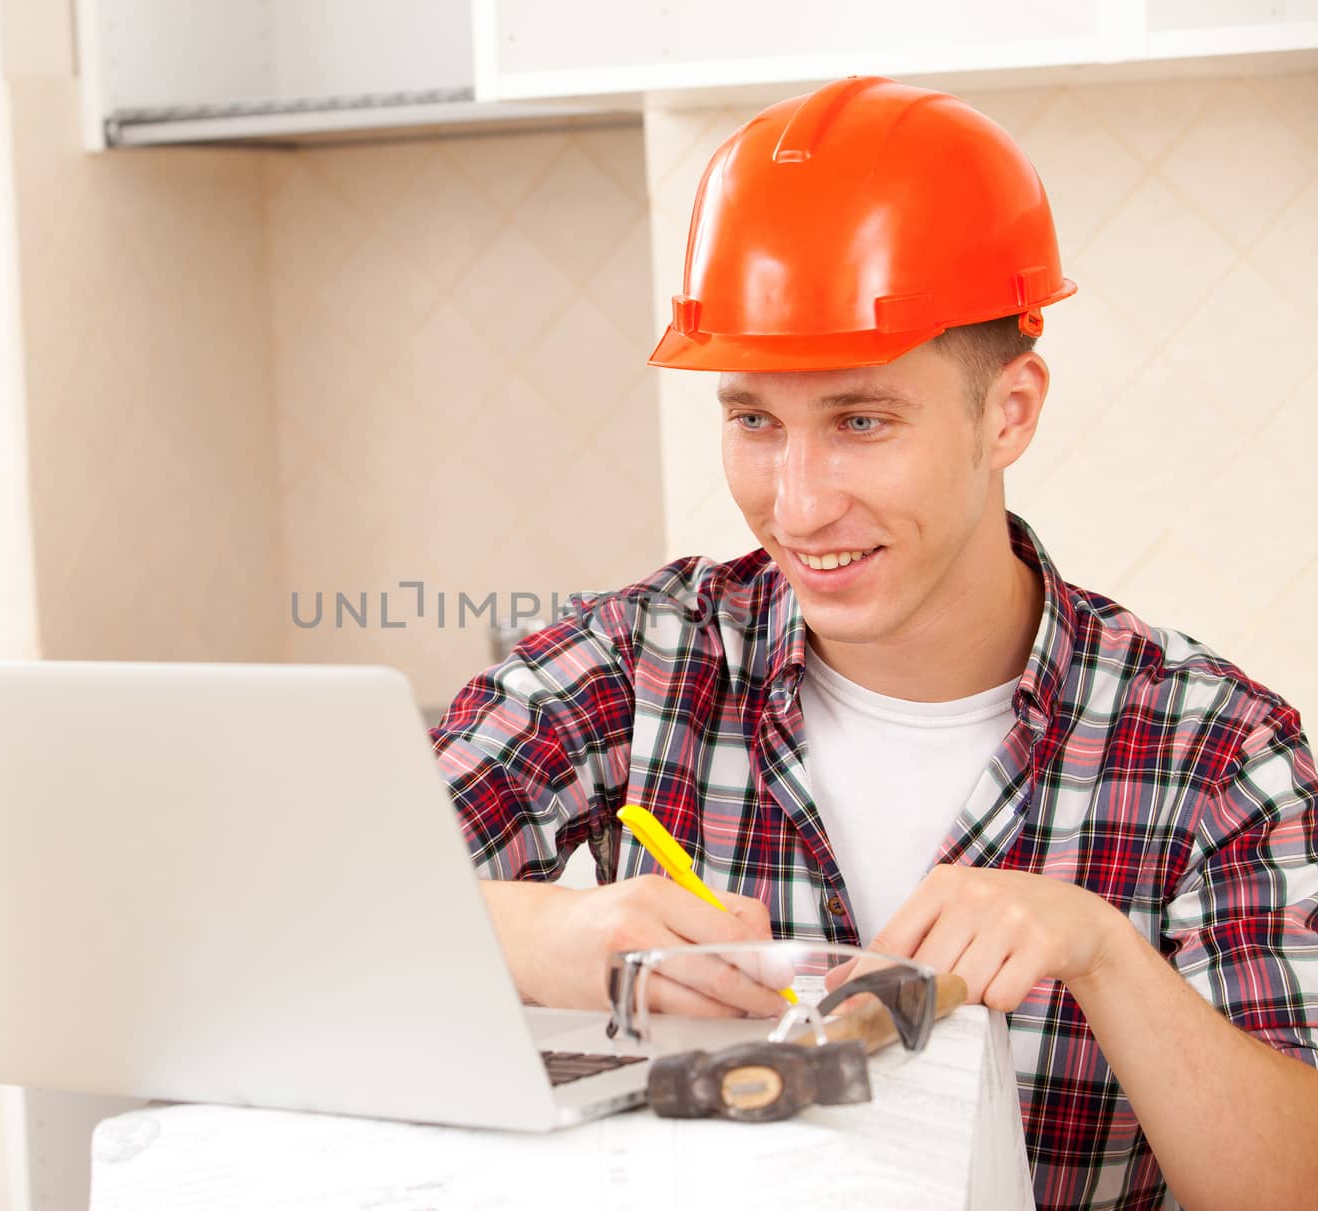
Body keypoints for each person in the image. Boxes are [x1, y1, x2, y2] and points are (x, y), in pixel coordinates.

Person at [429, 76, 1318, 1211]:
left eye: (860, 421)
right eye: (753, 420)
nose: (796, 507)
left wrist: (1101, 951)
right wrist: (519, 928)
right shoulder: (636, 663)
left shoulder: (1214, 750)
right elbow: (279, 916)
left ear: (1008, 412)